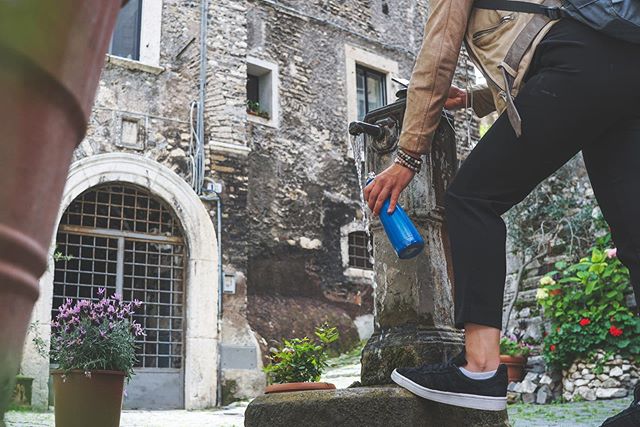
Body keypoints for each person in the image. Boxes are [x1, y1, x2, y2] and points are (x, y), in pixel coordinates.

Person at [363, 0, 640, 424]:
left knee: (472, 199)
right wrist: (475, 98)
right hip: (623, 66)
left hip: (578, 65)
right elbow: (540, 27)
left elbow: (438, 54)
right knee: (634, 236)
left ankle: (480, 369)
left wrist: (407, 156)